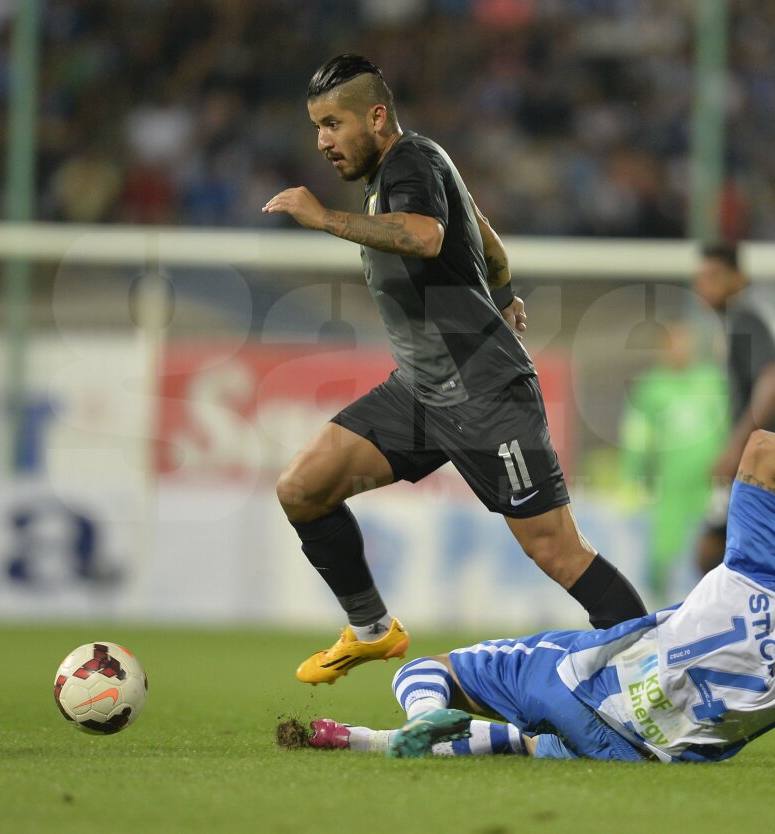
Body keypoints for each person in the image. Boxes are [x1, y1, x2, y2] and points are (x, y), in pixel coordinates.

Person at [304, 430, 775, 773]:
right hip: (630, 754)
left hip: (584, 683)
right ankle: (358, 741)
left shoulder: (755, 565)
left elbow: (764, 449)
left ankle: (421, 717)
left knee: (431, 671)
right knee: (530, 748)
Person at [260, 54, 646, 685]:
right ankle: (372, 630)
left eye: (333, 124)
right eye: (317, 128)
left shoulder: (409, 161)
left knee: (556, 549)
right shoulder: (407, 169)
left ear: (376, 117)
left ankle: (657, 674)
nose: (323, 141)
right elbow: (485, 237)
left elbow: (427, 236)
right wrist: (504, 294)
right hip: (420, 392)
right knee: (303, 488)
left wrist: (323, 218)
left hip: (484, 392)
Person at [692, 244, 775, 576]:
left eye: (714, 275)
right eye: (701, 276)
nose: (704, 284)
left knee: (716, 554)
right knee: (744, 558)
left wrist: (735, 450)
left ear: (738, 279)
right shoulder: (753, 316)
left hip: (773, 456)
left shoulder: (747, 316)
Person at [618, 321, 729, 602]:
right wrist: (633, 474)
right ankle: (659, 606)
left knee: (716, 544)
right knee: (663, 547)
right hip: (671, 482)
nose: (679, 349)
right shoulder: (650, 386)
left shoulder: (711, 380)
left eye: (684, 342)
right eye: (673, 344)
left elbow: (728, 425)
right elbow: (638, 434)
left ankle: (716, 604)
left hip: (710, 481)